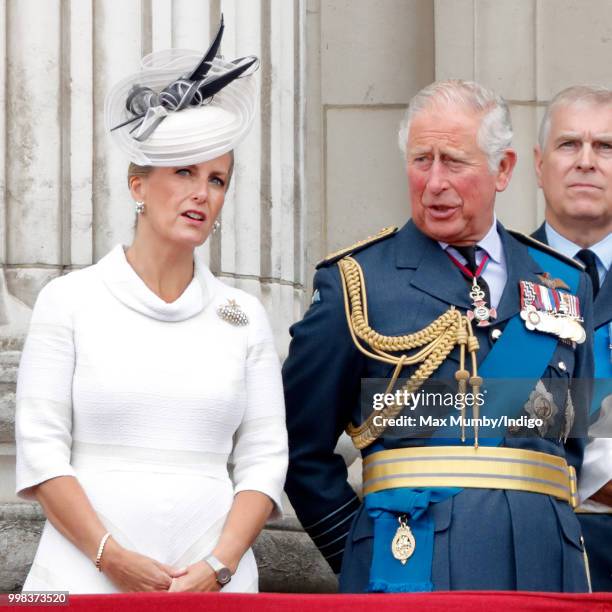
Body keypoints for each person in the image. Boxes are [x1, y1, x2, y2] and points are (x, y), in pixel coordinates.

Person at [283, 80, 594, 593]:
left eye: (453, 161)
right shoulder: (356, 282)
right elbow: (300, 448)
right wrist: (361, 550)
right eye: (420, 159)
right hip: (409, 568)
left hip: (544, 568)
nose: (433, 182)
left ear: (504, 169)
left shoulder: (563, 284)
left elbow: (568, 450)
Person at [15, 20, 287, 594]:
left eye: (217, 180)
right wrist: (111, 557)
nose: (201, 193)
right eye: (184, 171)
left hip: (216, 583)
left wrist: (218, 567)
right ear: (138, 184)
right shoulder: (68, 301)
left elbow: (265, 459)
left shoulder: (243, 315)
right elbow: (41, 451)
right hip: (80, 577)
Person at [532, 85, 612, 591]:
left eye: (605, 147)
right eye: (569, 145)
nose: (587, 161)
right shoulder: (491, 283)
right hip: (538, 552)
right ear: (538, 165)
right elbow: (498, 413)